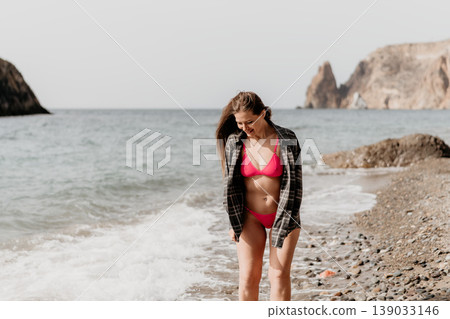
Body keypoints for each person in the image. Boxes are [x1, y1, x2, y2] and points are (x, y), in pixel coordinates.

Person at [216, 91, 303, 301]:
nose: (245, 128)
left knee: (279, 274)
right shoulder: (235, 143)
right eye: (239, 123)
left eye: (249, 122)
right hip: (249, 217)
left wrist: (289, 219)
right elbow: (231, 187)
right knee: (248, 278)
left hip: (283, 215)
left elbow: (296, 186)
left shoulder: (286, 139)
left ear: (263, 114)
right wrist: (233, 223)